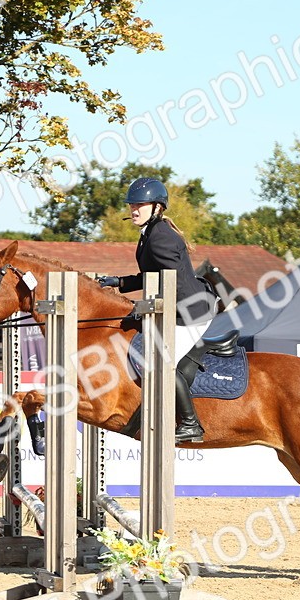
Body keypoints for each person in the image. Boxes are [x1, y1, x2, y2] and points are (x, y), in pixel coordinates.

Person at [97, 177, 219, 442]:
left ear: (157, 207)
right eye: (132, 205)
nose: (134, 210)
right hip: (177, 307)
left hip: (189, 313)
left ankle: (191, 424)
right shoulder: (151, 233)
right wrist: (118, 282)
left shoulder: (160, 236)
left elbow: (170, 283)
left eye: (140, 205)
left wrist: (143, 308)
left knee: (159, 363)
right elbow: (151, 276)